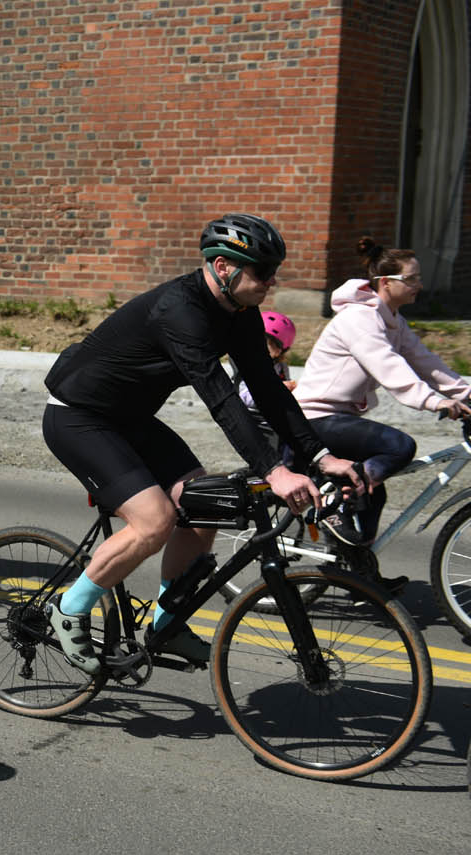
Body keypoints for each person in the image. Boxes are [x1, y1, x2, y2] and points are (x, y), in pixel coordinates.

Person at [40, 212, 363, 673]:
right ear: (224, 267)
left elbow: (269, 392)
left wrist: (319, 455)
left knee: (205, 503)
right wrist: (275, 471)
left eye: (274, 272)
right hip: (80, 418)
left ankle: (165, 624)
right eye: (262, 272)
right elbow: (222, 398)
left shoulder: (240, 314)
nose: (271, 282)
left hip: (130, 419)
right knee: (154, 522)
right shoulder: (179, 310)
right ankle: (69, 608)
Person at [293, 237, 471, 552]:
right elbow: (388, 368)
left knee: (375, 492)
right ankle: (333, 501)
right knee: (399, 446)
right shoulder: (359, 319)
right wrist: (436, 401)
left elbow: (427, 363)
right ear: (386, 283)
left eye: (418, 277)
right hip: (314, 417)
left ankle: (361, 569)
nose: (418, 284)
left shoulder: (393, 321)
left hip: (340, 418)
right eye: (411, 279)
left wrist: (466, 393)